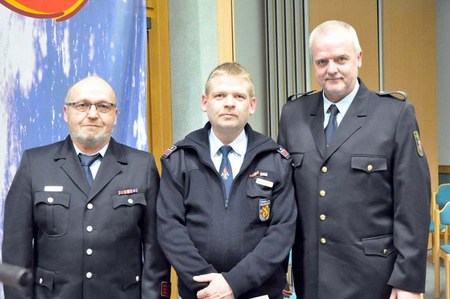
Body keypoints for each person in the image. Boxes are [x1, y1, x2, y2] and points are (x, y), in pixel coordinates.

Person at [277, 20, 431, 299]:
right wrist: (274, 270)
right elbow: (282, 200)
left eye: (341, 59)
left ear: (358, 58)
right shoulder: (293, 115)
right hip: (311, 274)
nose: (331, 69)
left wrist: (407, 280)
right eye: (322, 61)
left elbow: (413, 204)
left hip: (372, 276)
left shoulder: (395, 114)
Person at [2, 75, 171, 298]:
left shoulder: (142, 165)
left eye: (103, 106)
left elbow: (155, 251)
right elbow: (15, 253)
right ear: (66, 113)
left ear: (115, 115)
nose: (92, 114)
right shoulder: (35, 164)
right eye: (81, 105)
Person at [157, 62, 297, 299]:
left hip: (260, 293)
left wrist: (233, 283)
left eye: (239, 96)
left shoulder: (275, 160)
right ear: (205, 102)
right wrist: (209, 285)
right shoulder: (179, 160)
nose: (229, 103)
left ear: (252, 105)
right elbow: (170, 228)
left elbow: (282, 233)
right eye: (219, 95)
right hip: (200, 293)